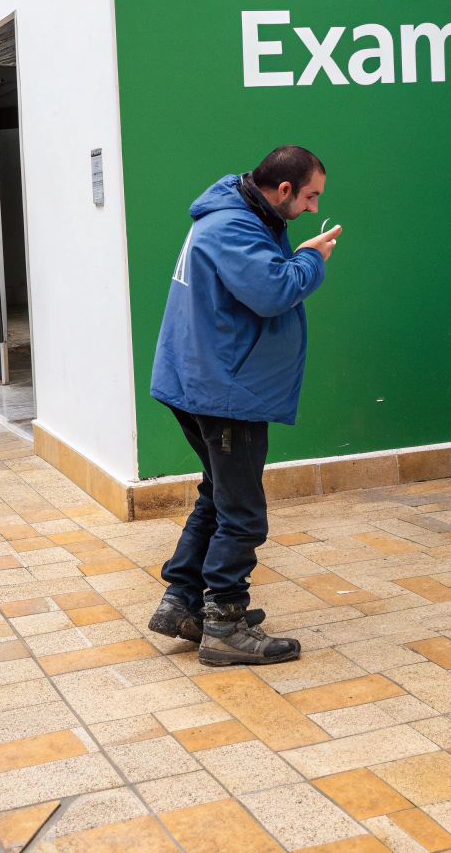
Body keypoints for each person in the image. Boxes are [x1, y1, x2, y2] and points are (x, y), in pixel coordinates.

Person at [147, 145, 341, 667]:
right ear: (282, 190)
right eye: (309, 196)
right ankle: (225, 626)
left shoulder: (237, 213)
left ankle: (181, 604)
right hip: (225, 392)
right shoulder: (232, 227)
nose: (311, 207)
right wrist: (311, 257)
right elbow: (274, 291)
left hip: (203, 381)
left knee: (218, 495)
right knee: (243, 514)